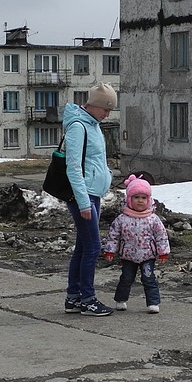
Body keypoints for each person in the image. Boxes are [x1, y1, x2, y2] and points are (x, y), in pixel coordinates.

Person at [62, 82, 117, 316]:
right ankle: (88, 299)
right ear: (94, 105)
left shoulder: (92, 125)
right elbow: (73, 167)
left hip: (91, 192)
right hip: (81, 195)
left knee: (84, 246)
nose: (107, 114)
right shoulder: (78, 126)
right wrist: (83, 202)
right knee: (93, 247)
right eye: (105, 109)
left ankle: (74, 297)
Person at [104, 174, 171, 313]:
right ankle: (121, 300)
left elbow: (161, 236)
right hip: (128, 256)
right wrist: (110, 250)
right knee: (126, 278)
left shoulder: (153, 219)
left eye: (143, 198)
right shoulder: (122, 219)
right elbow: (114, 235)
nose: (140, 201)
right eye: (136, 197)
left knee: (149, 278)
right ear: (129, 199)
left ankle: (153, 303)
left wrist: (163, 252)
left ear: (148, 199)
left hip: (147, 256)